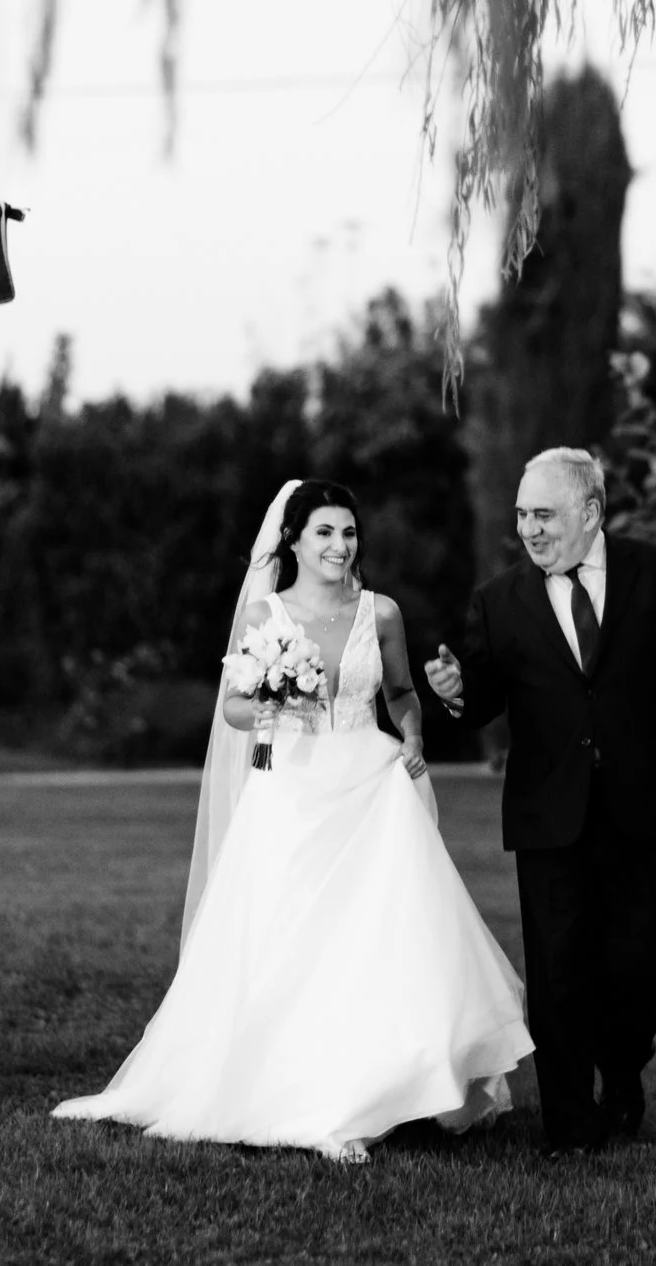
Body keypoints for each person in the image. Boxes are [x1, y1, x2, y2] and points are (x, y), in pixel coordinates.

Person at [52, 480, 532, 1163]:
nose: (341, 546)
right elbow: (235, 711)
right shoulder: (265, 614)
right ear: (294, 541)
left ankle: (390, 1084)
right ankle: (305, 1092)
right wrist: (278, 702)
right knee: (295, 940)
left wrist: (415, 735)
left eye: (349, 532)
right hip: (293, 790)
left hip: (372, 784)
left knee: (385, 933)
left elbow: (399, 692)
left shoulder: (383, 612)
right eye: (325, 533)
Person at [425, 447, 656, 1154]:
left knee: (652, 958)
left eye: (544, 513)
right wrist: (456, 692)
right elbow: (484, 691)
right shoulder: (499, 600)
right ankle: (569, 1124)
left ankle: (622, 1063)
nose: (528, 528)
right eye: (522, 513)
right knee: (557, 970)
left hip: (646, 807)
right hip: (549, 813)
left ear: (590, 512)